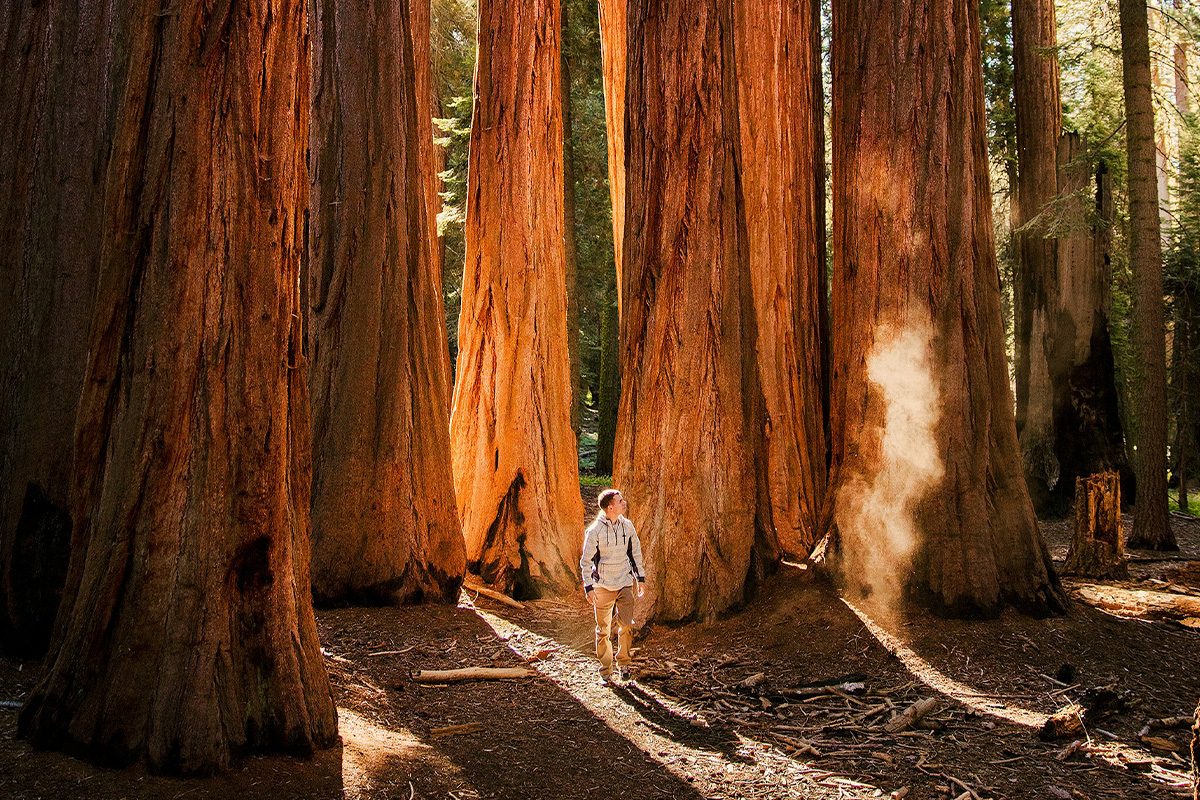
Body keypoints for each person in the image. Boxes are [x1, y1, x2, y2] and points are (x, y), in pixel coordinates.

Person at [580, 488, 645, 686]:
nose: (624, 503)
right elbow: (586, 561)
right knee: (603, 630)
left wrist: (639, 579)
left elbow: (635, 553)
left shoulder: (628, 526)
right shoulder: (594, 531)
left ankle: (623, 664)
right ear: (610, 507)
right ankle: (606, 670)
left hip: (624, 583)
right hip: (602, 586)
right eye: (620, 501)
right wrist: (589, 587)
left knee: (626, 625)